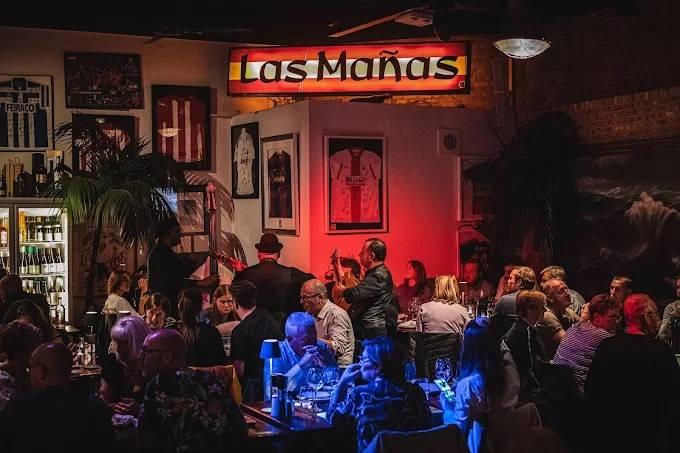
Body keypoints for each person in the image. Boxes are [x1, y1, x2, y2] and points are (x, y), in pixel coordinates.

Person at [585, 294, 680, 453]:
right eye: (655, 313)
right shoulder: (659, 351)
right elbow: (674, 395)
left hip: (610, 435)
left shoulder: (607, 346)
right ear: (646, 317)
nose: (657, 318)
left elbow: (591, 389)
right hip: (651, 436)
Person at [138, 329, 248, 453]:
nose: (140, 356)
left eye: (146, 351)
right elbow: (241, 427)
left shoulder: (159, 384)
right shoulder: (210, 379)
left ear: (166, 357)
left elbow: (144, 438)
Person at [0, 343, 117, 453]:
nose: (28, 373)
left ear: (41, 371)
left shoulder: (17, 409)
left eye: (30, 368)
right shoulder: (95, 409)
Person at [328, 336, 433, 452]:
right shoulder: (416, 391)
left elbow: (333, 420)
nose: (360, 364)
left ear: (378, 366)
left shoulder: (360, 394)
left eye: (364, 360)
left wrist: (342, 383)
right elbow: (428, 426)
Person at [441, 317, 520, 453]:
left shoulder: (468, 385)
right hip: (511, 442)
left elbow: (457, 431)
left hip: (480, 446)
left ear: (468, 347)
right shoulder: (511, 374)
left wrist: (447, 409)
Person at [230, 233, 314, 327]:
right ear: (279, 254)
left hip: (255, 327)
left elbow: (234, 293)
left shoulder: (246, 274)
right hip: (283, 328)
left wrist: (239, 272)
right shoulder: (291, 274)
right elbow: (314, 283)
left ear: (258, 254)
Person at [147, 218, 218, 316]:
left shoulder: (163, 252)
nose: (180, 235)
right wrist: (200, 283)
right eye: (177, 231)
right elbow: (173, 281)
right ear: (168, 233)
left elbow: (181, 271)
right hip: (165, 307)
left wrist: (206, 257)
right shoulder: (160, 254)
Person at [552, 294, 617, 397]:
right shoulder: (602, 336)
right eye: (612, 317)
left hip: (555, 387)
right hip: (578, 394)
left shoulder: (574, 327)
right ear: (596, 316)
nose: (616, 321)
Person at [229, 280, 283, 401]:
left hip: (254, 391)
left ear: (235, 303)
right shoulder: (270, 319)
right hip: (277, 383)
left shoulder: (240, 331)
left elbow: (239, 371)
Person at [263, 312, 336, 398]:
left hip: (317, 402)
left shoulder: (321, 347)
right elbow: (271, 392)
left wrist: (326, 367)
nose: (313, 343)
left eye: (314, 337)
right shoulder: (277, 352)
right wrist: (300, 365)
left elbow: (336, 384)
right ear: (289, 339)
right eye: (306, 340)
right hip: (287, 403)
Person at [334, 238, 394, 339]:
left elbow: (357, 293)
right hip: (368, 328)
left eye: (362, 252)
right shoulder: (374, 273)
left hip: (372, 330)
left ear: (371, 256)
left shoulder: (379, 275)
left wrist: (342, 291)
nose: (359, 254)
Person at [502, 290, 547, 401]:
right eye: (541, 306)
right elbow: (528, 366)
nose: (545, 310)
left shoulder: (522, 327)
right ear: (530, 308)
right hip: (525, 392)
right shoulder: (524, 331)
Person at [300, 279, 354, 367]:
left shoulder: (336, 315)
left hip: (338, 370)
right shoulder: (310, 314)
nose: (301, 302)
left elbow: (338, 347)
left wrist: (311, 339)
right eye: (301, 298)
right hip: (320, 366)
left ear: (320, 298)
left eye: (305, 298)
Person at [177, 287, 226, 367]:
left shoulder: (173, 333)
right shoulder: (211, 332)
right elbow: (221, 365)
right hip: (207, 375)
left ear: (179, 306)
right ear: (201, 306)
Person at [0, 321, 43, 410]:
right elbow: (18, 409)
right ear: (21, 352)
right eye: (37, 346)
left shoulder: (26, 374)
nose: (41, 351)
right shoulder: (3, 380)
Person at [109, 316, 150, 409]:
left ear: (139, 341)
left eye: (123, 343)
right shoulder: (113, 366)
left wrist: (140, 410)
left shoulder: (152, 371)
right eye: (116, 342)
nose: (117, 349)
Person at [537, 279, 579, 360]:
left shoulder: (566, 310)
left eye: (567, 289)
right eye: (561, 291)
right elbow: (569, 343)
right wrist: (585, 318)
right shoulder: (546, 315)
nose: (568, 293)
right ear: (549, 298)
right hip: (550, 363)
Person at [658, 276, 680, 342]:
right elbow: (662, 336)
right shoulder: (671, 308)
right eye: (678, 288)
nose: (679, 291)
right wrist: (671, 318)